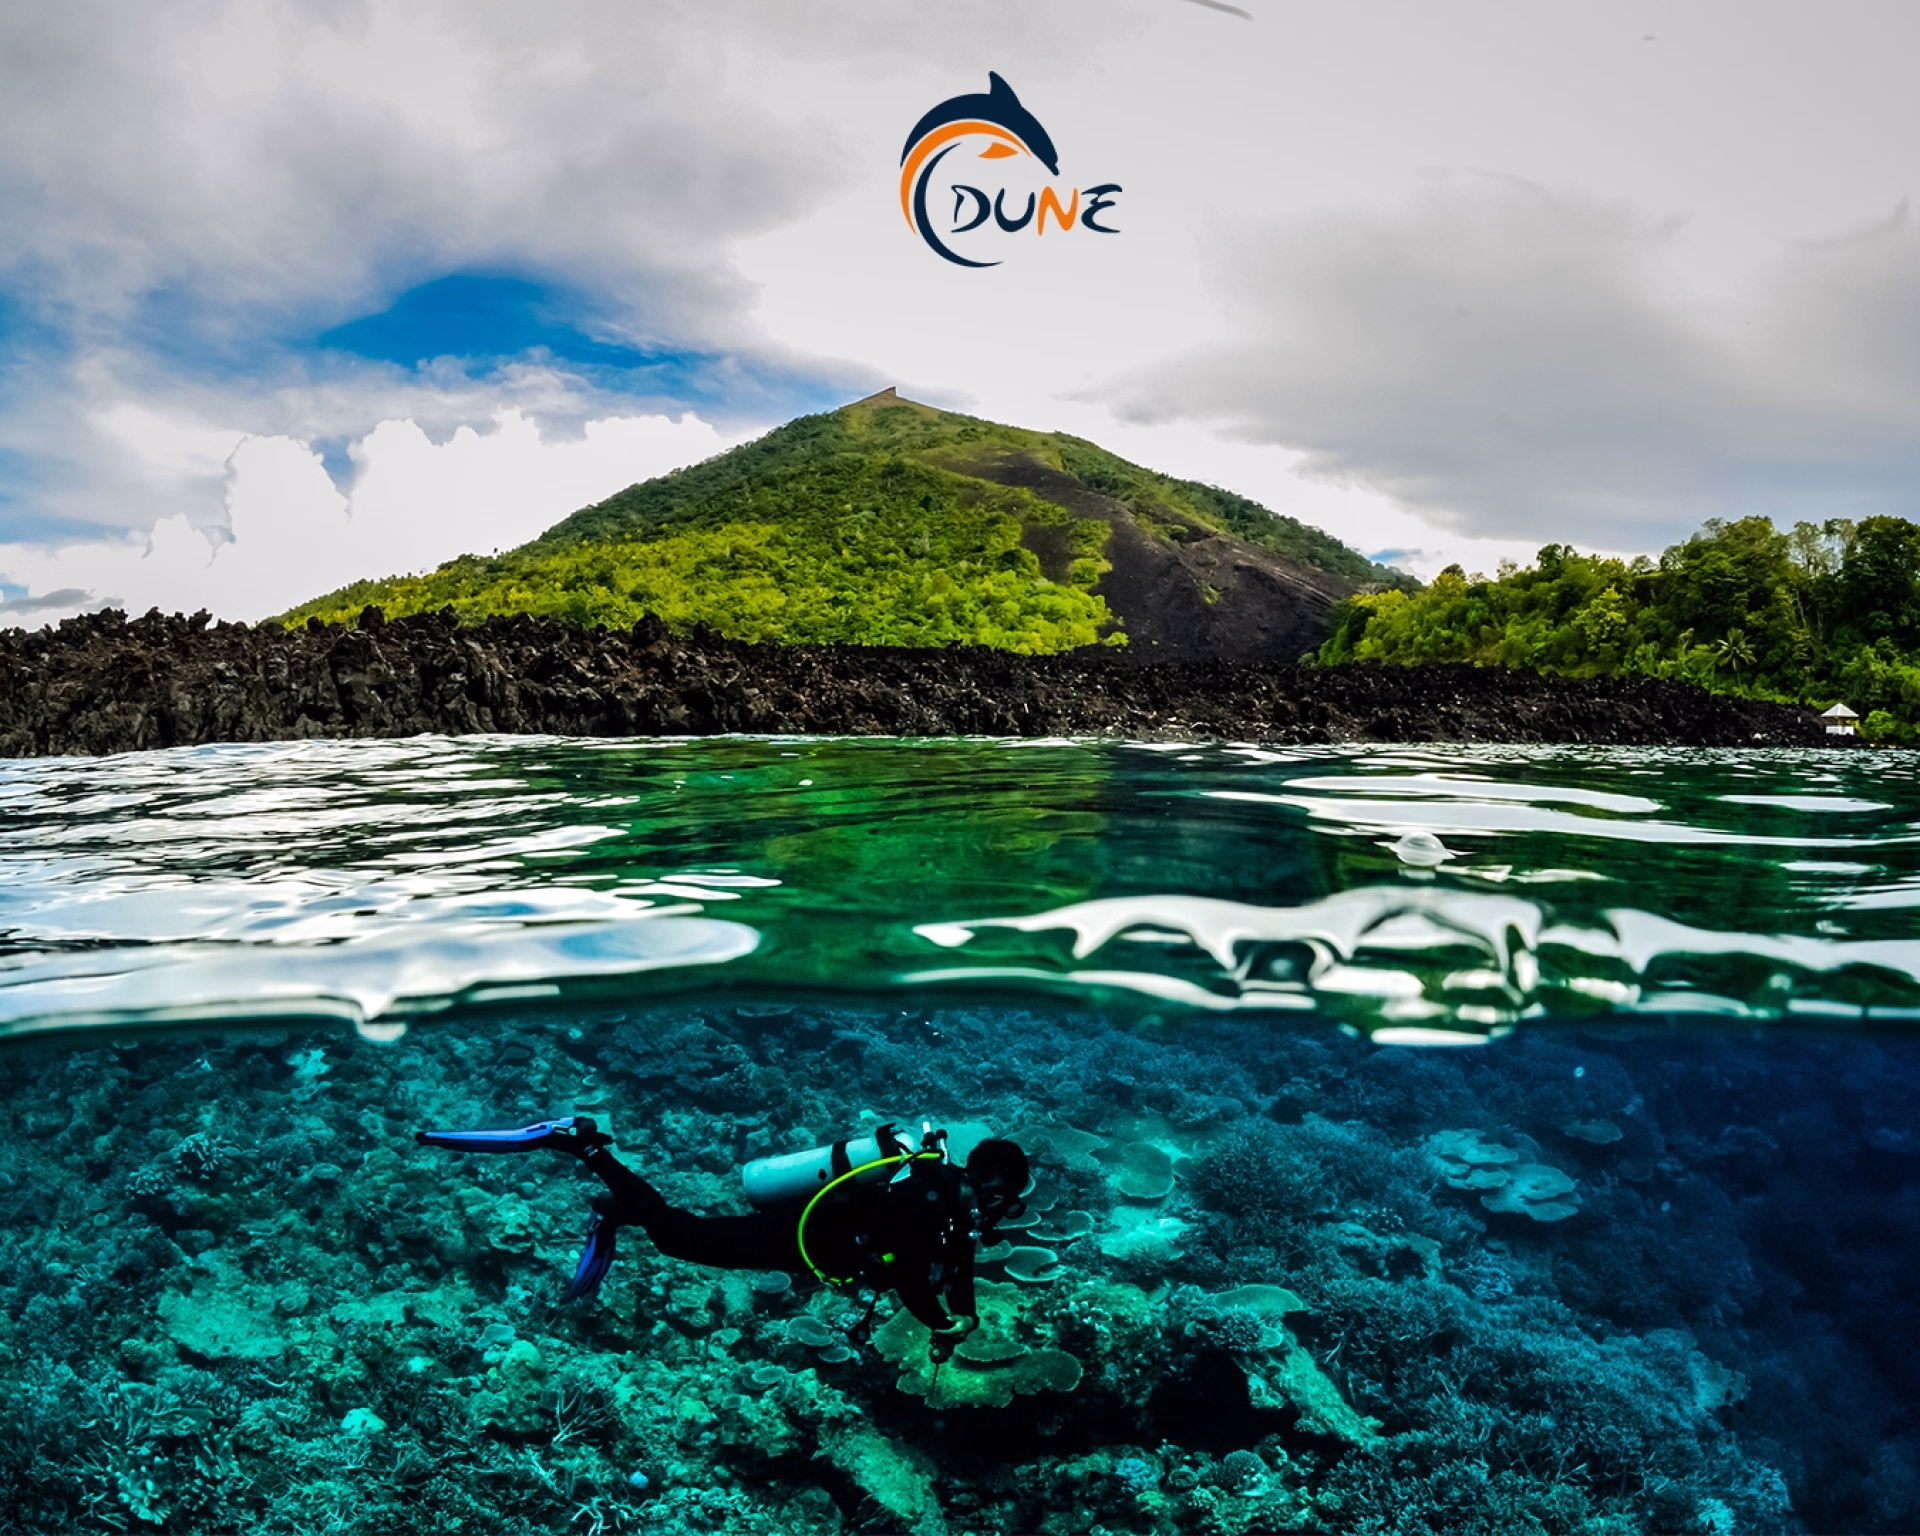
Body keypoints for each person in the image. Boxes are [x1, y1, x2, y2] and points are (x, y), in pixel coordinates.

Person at [415, 1116, 1030, 1360]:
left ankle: (614, 1210)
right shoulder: (931, 1196)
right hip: (794, 1236)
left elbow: (956, 1261)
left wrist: (964, 1317)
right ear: (995, 1186)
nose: (1003, 1212)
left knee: (683, 1236)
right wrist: (938, 1322)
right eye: (1008, 1198)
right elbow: (910, 1272)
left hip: (809, 1244)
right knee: (681, 1239)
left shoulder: (948, 1200)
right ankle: (584, 1144)